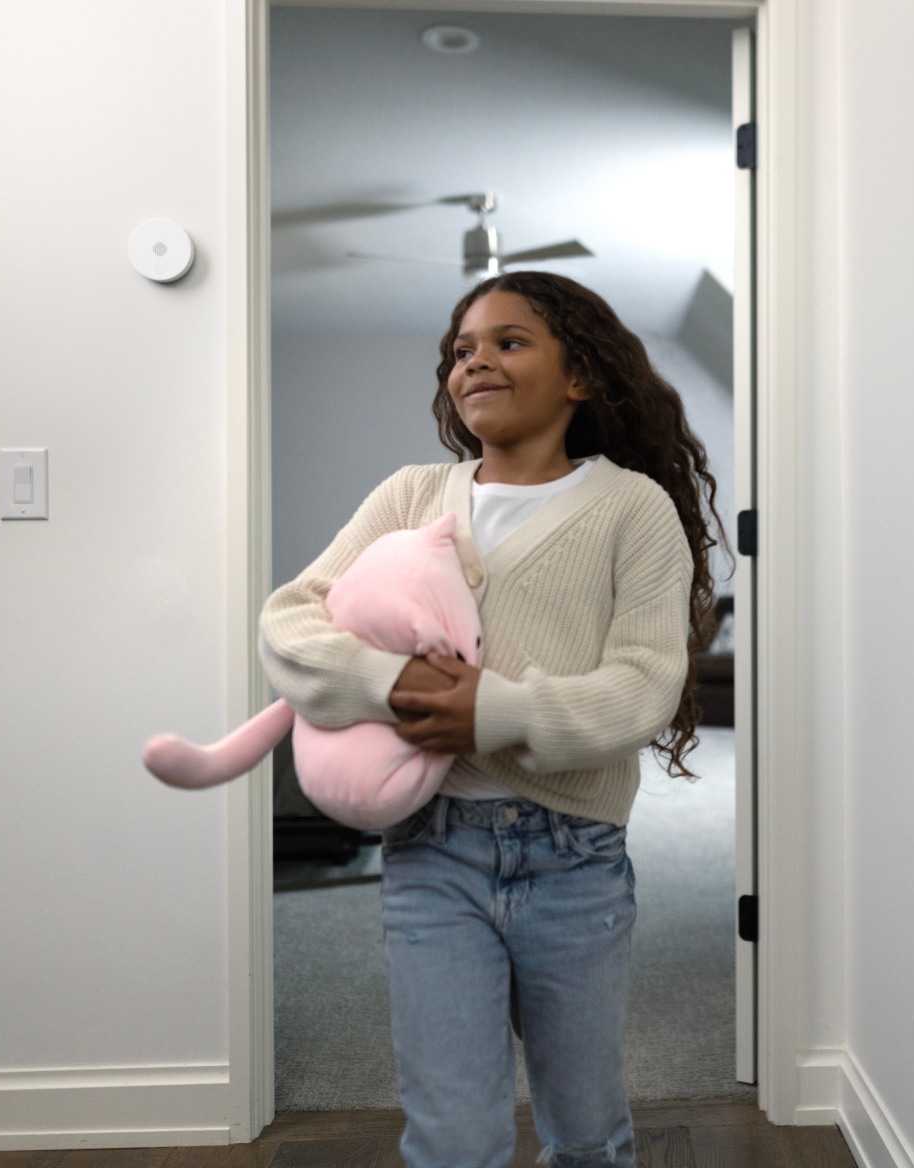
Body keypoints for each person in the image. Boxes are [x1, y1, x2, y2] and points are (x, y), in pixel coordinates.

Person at [258, 270, 725, 1168]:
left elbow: (643, 686)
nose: (476, 361)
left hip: (575, 861)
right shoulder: (408, 496)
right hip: (431, 854)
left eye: (509, 342)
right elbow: (289, 621)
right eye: (462, 350)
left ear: (580, 373)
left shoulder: (632, 509)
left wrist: (492, 709)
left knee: (586, 1132)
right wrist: (393, 684)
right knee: (453, 1137)